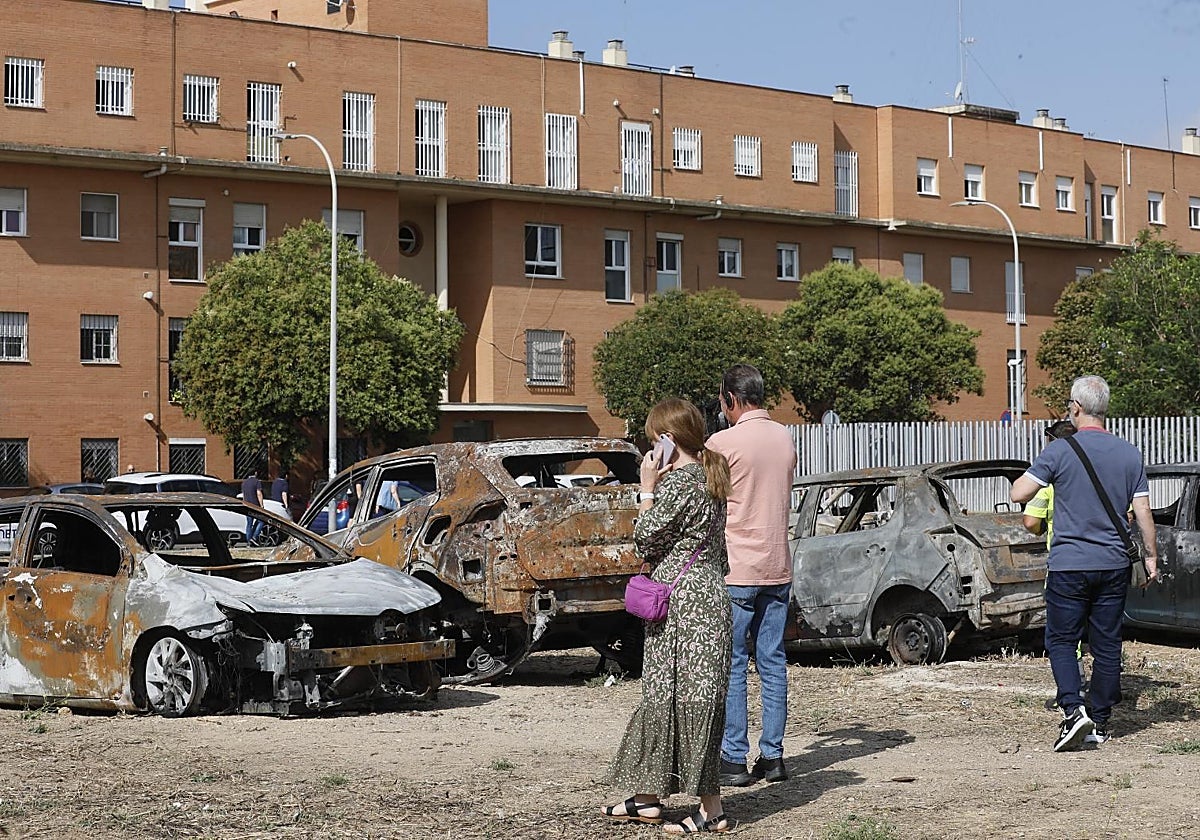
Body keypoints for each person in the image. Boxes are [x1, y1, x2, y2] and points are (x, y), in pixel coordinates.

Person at [602, 398, 734, 834]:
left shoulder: (679, 485)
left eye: (651, 440)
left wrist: (646, 486)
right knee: (681, 698)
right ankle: (647, 798)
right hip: (709, 599)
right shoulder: (712, 477)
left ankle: (710, 810)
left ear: (666, 440)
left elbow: (644, 539)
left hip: (682, 607)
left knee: (677, 699)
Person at [1011, 375, 1159, 751]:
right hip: (1113, 563)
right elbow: (1143, 511)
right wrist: (1152, 556)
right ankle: (1102, 721)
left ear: (1075, 409)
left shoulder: (1060, 451)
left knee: (1062, 639)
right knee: (1107, 642)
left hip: (1069, 564)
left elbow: (1019, 493)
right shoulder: (1129, 453)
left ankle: (1074, 710)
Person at [706, 363, 797, 786]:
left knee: (734, 664)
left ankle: (733, 757)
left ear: (731, 399)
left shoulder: (721, 442)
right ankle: (773, 756)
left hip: (737, 566)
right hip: (777, 564)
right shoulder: (784, 437)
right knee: (773, 662)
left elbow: (709, 500)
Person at [1022, 419, 1088, 692]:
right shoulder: (1094, 470)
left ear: (1052, 440)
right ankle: (1107, 689)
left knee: (1064, 633)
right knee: (1101, 631)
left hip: (1066, 564)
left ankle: (1074, 689)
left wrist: (1043, 526)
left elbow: (1029, 522)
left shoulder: (1050, 482)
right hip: (1105, 561)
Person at [242, 467, 265, 545]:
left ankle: (249, 541)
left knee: (249, 523)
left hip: (247, 505)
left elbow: (244, 495)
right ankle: (254, 537)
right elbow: (259, 493)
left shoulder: (244, 483)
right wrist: (261, 505)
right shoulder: (257, 482)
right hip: (255, 506)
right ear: (255, 473)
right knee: (261, 521)